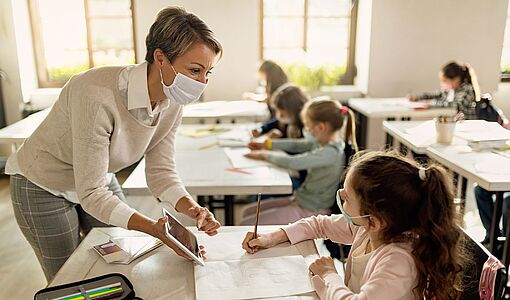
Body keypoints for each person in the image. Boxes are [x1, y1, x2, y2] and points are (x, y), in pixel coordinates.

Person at [7, 7, 222, 282]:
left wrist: (192, 208)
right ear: (160, 58)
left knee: (122, 261)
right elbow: (92, 192)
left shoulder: (172, 102)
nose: (202, 82)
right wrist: (153, 228)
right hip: (43, 185)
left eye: (208, 73)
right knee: (68, 281)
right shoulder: (95, 92)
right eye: (194, 70)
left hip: (97, 180)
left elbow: (162, 173)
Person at [242, 151, 466, 299]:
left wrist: (330, 274)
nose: (339, 197)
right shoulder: (366, 229)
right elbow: (318, 225)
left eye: (346, 198)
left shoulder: (397, 261)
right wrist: (271, 238)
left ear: (375, 220)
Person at [240, 99, 357, 225]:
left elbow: (293, 162)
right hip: (301, 200)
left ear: (321, 127)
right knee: (247, 212)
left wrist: (265, 156)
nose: (306, 129)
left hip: (312, 210)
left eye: (308, 125)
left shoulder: (330, 152)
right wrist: (268, 144)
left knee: (247, 224)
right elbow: (296, 145)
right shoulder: (323, 143)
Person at [409, 61, 480, 120]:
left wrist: (432, 103)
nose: (443, 84)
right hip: (454, 123)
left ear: (456, 79)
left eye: (445, 81)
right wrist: (418, 97)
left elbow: (455, 105)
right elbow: (436, 94)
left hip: (466, 124)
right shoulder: (451, 89)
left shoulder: (466, 89)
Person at [246, 60, 292, 138]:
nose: (262, 80)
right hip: (277, 128)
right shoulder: (279, 85)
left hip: (281, 132)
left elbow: (279, 119)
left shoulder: (278, 90)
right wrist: (262, 129)